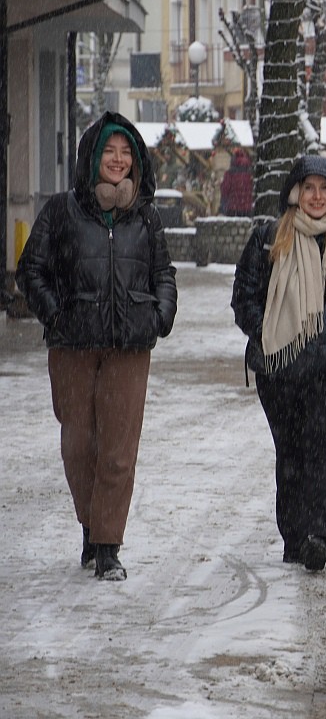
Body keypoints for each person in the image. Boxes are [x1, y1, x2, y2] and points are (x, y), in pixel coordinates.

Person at [16, 112, 178, 581]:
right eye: (110, 151)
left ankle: (107, 544)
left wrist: (161, 313)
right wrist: (56, 312)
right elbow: (33, 269)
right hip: (72, 345)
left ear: (136, 161)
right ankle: (91, 522)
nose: (118, 160)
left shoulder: (145, 214)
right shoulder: (62, 210)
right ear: (93, 156)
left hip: (130, 344)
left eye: (126, 153)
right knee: (78, 443)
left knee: (118, 448)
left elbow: (163, 272)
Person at [231, 155, 326, 572]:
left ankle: (318, 534)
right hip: (278, 371)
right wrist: (268, 334)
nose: (317, 197)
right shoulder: (268, 238)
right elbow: (244, 295)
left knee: (320, 449)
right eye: (309, 188)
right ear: (296, 192)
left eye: (325, 189)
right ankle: (293, 537)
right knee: (290, 453)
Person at [220, 148, 254, 217]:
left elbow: (225, 190)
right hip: (248, 208)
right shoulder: (251, 173)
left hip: (233, 208)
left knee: (233, 227)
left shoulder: (230, 173)